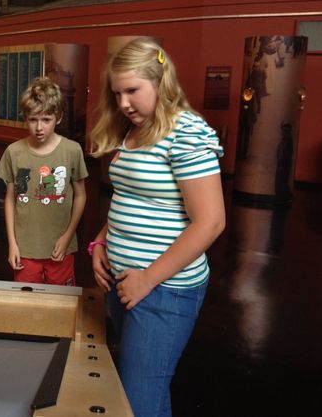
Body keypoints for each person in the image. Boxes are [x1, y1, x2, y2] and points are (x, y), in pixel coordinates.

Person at [89, 38, 225, 417]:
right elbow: (131, 200)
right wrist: (100, 243)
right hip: (124, 282)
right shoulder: (132, 130)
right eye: (117, 93)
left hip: (164, 289)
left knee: (137, 403)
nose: (123, 104)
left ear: (161, 81)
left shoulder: (187, 132)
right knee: (142, 394)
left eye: (132, 91)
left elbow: (211, 222)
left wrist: (147, 278)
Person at [0, 77, 88, 286]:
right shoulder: (14, 152)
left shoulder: (72, 150)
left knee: (63, 302)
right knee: (26, 303)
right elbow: (10, 199)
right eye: (33, 119)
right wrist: (12, 244)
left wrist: (68, 236)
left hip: (60, 247)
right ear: (25, 118)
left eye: (46, 119)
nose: (39, 127)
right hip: (25, 248)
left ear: (59, 117)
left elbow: (81, 196)